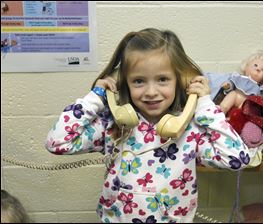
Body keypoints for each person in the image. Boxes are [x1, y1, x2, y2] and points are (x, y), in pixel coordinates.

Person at [45, 28, 250, 223]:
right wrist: (96, 97)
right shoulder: (115, 126)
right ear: (124, 83)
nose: (151, 91)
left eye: (162, 79)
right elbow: (57, 143)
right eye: (139, 81)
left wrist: (204, 104)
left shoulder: (190, 131)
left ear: (180, 81)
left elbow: (236, 159)